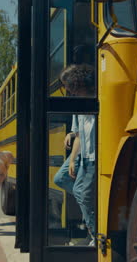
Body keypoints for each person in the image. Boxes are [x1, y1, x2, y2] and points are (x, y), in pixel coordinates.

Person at [54, 64, 96, 246]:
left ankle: (95, 232)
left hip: (93, 154)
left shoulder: (97, 98)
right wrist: (72, 160)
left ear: (77, 83)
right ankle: (91, 204)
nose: (67, 90)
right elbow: (78, 133)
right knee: (62, 179)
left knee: (82, 192)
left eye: (68, 85)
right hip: (82, 153)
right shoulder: (78, 103)